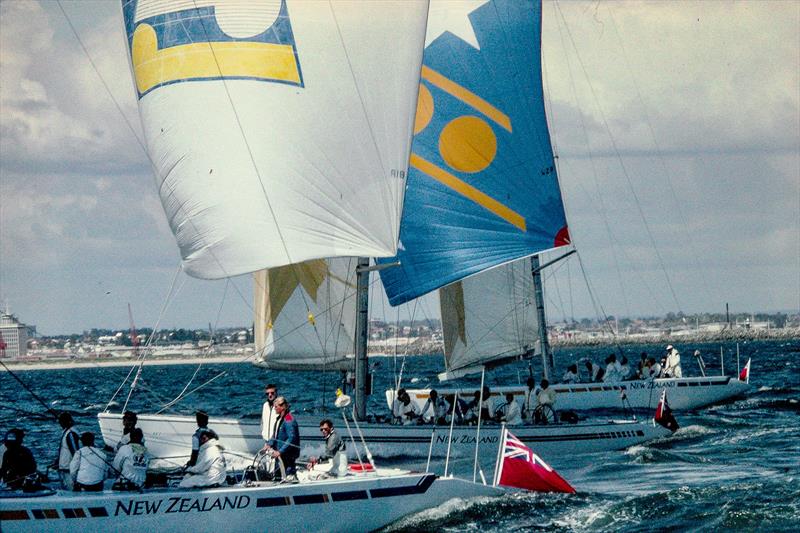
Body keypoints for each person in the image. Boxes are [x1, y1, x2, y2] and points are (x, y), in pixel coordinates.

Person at [266, 396, 300, 480]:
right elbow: (275, 435)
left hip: (287, 457)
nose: (274, 409)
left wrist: (280, 451)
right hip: (280, 457)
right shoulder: (279, 419)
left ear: (282, 407)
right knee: (277, 477)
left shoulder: (289, 419)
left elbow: (292, 438)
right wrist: (269, 444)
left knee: (288, 477)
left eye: (276, 407)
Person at [55, 411, 80, 490]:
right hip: (64, 469)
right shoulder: (67, 432)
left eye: (61, 422)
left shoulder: (71, 434)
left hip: (69, 470)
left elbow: (75, 452)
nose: (60, 424)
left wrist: (75, 468)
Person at [260, 384, 280, 452]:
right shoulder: (265, 405)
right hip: (267, 442)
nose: (270, 395)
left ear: (276, 393)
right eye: (267, 393)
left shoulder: (280, 406)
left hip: (277, 442)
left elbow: (287, 420)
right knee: (268, 461)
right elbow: (262, 422)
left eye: (272, 393)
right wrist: (263, 434)